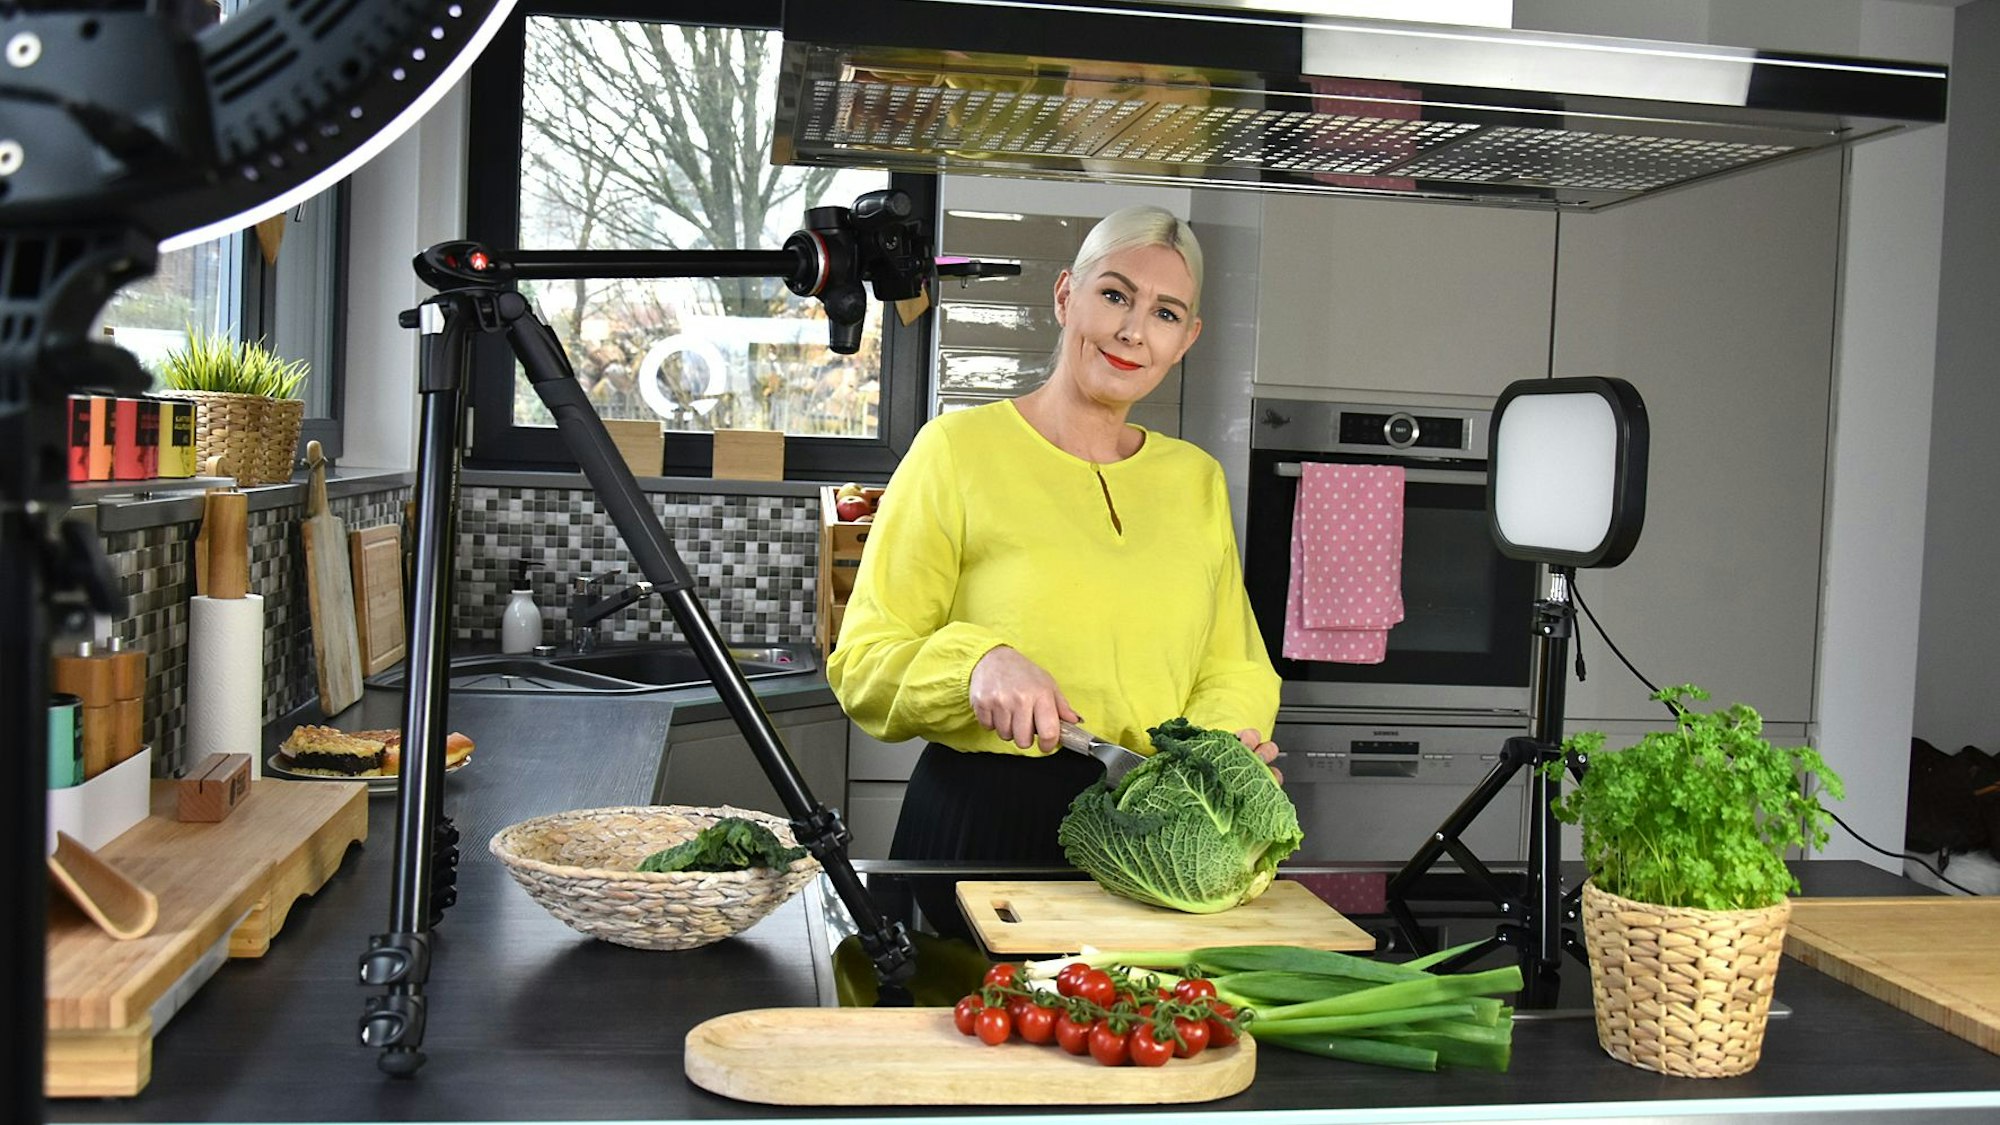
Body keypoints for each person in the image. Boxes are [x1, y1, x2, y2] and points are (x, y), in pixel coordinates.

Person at [827, 204, 1282, 912]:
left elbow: (1234, 663)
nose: (1133, 330)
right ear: (1067, 295)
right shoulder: (956, 451)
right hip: (987, 827)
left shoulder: (1195, 480)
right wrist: (976, 662)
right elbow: (864, 662)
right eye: (1114, 295)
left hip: (1152, 832)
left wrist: (1217, 755)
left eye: (1165, 314)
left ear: (1186, 339)